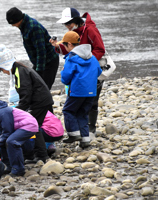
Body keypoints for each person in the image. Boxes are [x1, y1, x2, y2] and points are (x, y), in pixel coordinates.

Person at [50, 7, 105, 135]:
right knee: (80, 100)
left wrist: (88, 65)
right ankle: (82, 130)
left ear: (76, 20)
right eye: (65, 24)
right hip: (80, 71)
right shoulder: (75, 31)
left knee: (93, 99)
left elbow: (100, 49)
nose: (67, 26)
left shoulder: (90, 30)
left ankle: (91, 128)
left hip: (91, 70)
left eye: (68, 23)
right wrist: (58, 47)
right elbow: (71, 50)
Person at [0, 45, 54, 163]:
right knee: (35, 125)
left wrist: (17, 110)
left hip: (40, 101)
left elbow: (26, 94)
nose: (4, 73)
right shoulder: (20, 69)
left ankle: (41, 155)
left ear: (6, 65)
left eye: (2, 69)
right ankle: (39, 153)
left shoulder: (20, 72)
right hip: (42, 100)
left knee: (33, 126)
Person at [58, 31, 102, 148]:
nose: (64, 48)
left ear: (69, 44)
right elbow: (99, 72)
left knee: (68, 111)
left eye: (64, 45)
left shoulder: (71, 58)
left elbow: (65, 78)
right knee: (82, 114)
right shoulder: (92, 57)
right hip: (91, 91)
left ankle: (74, 134)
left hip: (77, 91)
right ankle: (85, 140)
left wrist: (63, 73)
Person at [6, 7, 59, 90]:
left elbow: (41, 51)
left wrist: (39, 71)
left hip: (49, 61)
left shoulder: (33, 28)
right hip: (39, 61)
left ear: (18, 20)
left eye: (13, 23)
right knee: (33, 85)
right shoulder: (23, 25)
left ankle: (46, 102)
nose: (13, 26)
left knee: (43, 89)